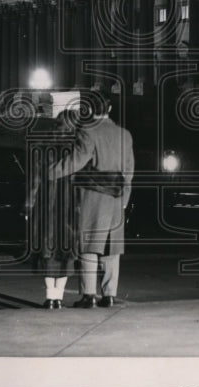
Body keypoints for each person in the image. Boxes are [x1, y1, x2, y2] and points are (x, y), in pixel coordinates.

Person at [49, 93, 134, 308]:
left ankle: (89, 295)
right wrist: (124, 199)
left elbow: (77, 160)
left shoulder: (88, 132)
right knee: (111, 247)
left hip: (93, 196)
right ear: (110, 108)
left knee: (89, 245)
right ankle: (110, 294)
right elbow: (129, 171)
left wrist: (51, 172)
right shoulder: (125, 134)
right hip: (117, 197)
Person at [27, 109, 79, 309]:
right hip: (69, 205)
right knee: (66, 251)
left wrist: (30, 201)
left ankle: (50, 297)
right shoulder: (76, 148)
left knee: (47, 249)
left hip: (46, 204)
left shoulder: (43, 146)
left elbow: (35, 179)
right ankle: (58, 297)